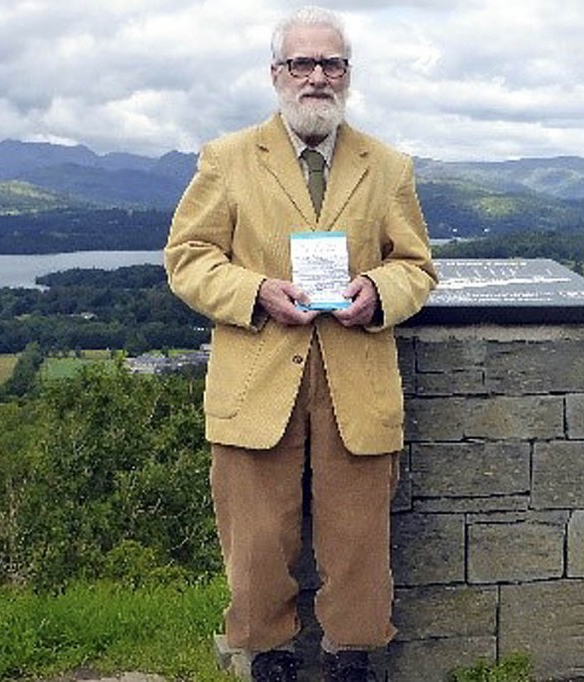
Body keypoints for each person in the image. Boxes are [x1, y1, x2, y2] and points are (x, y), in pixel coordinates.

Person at [164, 6, 437, 682]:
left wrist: (378, 291)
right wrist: (256, 291)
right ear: (276, 73)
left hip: (357, 375)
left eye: (331, 64)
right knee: (256, 536)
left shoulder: (389, 166)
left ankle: (352, 654)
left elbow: (416, 266)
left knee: (359, 537)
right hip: (257, 375)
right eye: (302, 63)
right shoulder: (226, 159)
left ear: (347, 73)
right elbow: (188, 258)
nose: (317, 76)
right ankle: (268, 653)